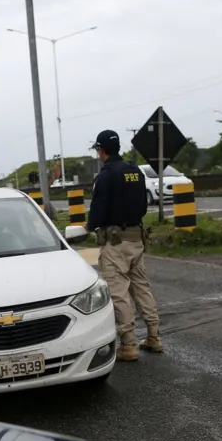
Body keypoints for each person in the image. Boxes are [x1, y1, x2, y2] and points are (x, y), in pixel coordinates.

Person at [87, 129, 162, 362]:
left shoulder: (106, 176)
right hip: (136, 239)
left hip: (115, 243)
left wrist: (90, 226)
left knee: (119, 292)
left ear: (101, 150)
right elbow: (142, 206)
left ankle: (128, 344)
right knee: (141, 286)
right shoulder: (135, 171)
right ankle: (153, 336)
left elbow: (98, 213)